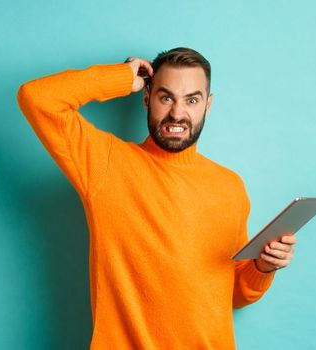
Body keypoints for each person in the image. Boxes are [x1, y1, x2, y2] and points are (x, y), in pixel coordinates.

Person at [17, 47, 297, 349]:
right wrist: (122, 77)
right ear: (147, 98)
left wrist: (263, 267)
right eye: (166, 97)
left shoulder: (230, 186)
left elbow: (235, 294)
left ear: (208, 105)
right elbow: (37, 98)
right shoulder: (105, 163)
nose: (178, 113)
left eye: (192, 100)